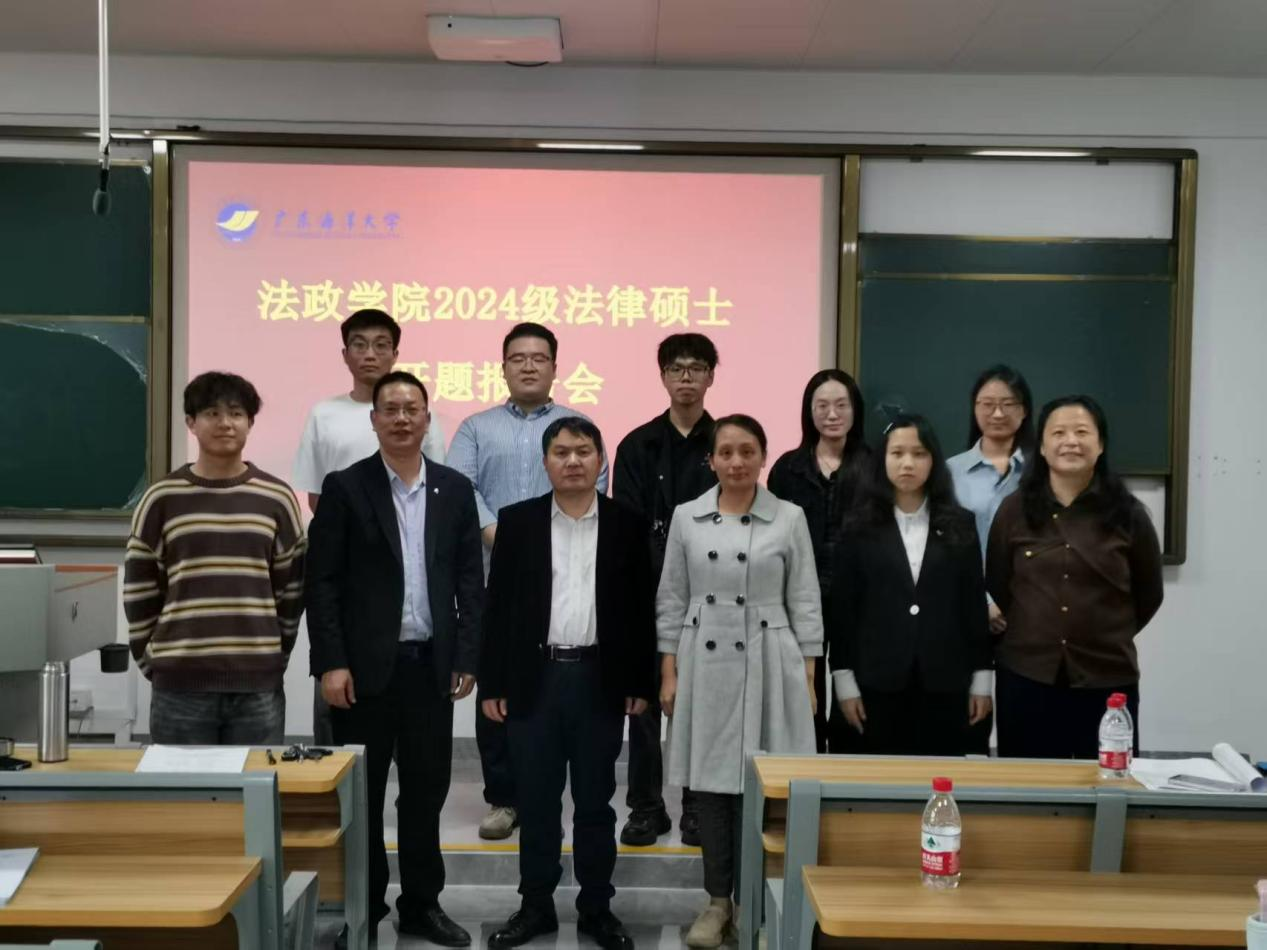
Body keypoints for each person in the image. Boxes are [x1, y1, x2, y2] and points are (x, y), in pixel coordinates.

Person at [306, 371, 483, 945]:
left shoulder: (454, 489)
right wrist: (331, 662)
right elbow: (322, 582)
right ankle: (364, 906)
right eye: (391, 409)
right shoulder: (345, 487)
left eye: (412, 409)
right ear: (374, 419)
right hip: (362, 673)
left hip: (431, 667)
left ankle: (422, 904)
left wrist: (467, 656)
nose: (402, 418)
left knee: (426, 793)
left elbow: (469, 580)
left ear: (427, 420)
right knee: (363, 797)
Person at [480, 417, 656, 950]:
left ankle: (597, 907)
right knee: (536, 803)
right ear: (545, 462)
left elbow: (640, 610)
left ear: (601, 460)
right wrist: (493, 683)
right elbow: (498, 609)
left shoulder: (626, 524)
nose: (573, 461)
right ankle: (535, 906)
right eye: (561, 452)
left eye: (583, 451)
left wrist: (639, 681)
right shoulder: (518, 522)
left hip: (599, 680)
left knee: (596, 802)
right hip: (534, 680)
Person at [657, 414, 821, 949]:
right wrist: (667, 669)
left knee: (762, 783)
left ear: (763, 457)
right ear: (711, 460)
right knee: (709, 788)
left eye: (747, 451)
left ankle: (756, 900)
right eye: (725, 452)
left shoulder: (789, 517)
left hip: (771, 655)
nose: (736, 462)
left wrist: (809, 673)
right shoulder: (687, 517)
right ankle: (716, 903)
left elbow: (805, 598)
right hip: (704, 659)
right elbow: (672, 597)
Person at [447, 323, 608, 841]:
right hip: (491, 576)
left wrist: (534, 545)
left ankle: (550, 793)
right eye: (518, 358)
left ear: (555, 367)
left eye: (539, 357)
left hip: (562, 580)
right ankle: (503, 797)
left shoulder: (577, 427)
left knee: (550, 689)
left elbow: (595, 487)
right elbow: (459, 488)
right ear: (503, 368)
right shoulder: (476, 428)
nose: (529, 366)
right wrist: (499, 535)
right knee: (497, 684)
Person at [124, 371, 305, 745]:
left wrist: (273, 656)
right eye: (212, 413)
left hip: (258, 686)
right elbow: (140, 591)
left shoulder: (277, 498)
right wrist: (151, 658)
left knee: (257, 783)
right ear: (191, 423)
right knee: (181, 785)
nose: (225, 423)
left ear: (250, 422)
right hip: (179, 685)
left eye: (236, 413)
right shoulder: (161, 499)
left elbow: (291, 591)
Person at [293, 307, 447, 745]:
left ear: (395, 353)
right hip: (352, 574)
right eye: (359, 345)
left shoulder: (417, 414)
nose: (370, 354)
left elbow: (435, 492)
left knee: (417, 746)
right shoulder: (324, 413)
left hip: (411, 575)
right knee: (342, 730)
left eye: (381, 345)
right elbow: (317, 497)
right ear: (345, 354)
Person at [986, 395, 1164, 759]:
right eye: (1059, 433)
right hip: (1026, 676)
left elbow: (1149, 594)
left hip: (1106, 679)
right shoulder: (1014, 510)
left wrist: (1104, 633)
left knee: (1107, 782)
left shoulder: (1128, 514)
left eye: (1082, 432)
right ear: (1042, 447)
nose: (1071, 441)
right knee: (1027, 783)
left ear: (1100, 444)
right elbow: (999, 582)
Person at [829, 414, 992, 756]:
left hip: (945, 681)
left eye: (919, 454)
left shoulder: (960, 524)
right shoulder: (857, 527)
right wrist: (843, 680)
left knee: (940, 773)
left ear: (933, 461)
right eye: (897, 453)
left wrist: (982, 677)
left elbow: (973, 605)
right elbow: (843, 609)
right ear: (882, 460)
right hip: (875, 680)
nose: (908, 463)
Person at [611, 332, 718, 848]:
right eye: (677, 368)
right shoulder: (637, 445)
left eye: (696, 368)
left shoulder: (724, 441)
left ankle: (697, 805)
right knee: (645, 705)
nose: (686, 377)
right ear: (663, 376)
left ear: (711, 376)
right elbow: (628, 526)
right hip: (647, 591)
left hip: (712, 593)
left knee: (701, 704)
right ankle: (646, 807)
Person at [768, 369, 870, 753]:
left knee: (853, 695)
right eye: (822, 406)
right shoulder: (787, 469)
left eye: (841, 405)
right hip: (799, 599)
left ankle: (848, 776)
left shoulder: (876, 467)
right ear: (808, 412)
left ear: (855, 410)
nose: (832, 414)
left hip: (860, 600)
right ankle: (806, 774)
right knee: (802, 695)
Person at [946, 364, 1034, 753]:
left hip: (1025, 615)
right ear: (974, 408)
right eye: (987, 404)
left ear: (1024, 410)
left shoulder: (1041, 474)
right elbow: (943, 547)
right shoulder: (950, 472)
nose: (997, 413)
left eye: (1008, 404)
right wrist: (981, 600)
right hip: (962, 611)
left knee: (1023, 725)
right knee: (967, 723)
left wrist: (1010, 604)